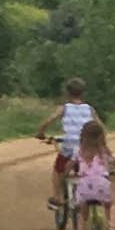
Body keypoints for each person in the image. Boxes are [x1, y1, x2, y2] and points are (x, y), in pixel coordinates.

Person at [36, 79, 97, 210]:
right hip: (87, 144)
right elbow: (99, 126)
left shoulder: (64, 108)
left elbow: (48, 121)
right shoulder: (89, 109)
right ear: (83, 93)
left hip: (69, 144)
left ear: (67, 93)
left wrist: (40, 133)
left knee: (58, 170)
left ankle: (56, 198)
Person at [70, 119, 115, 230]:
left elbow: (69, 166)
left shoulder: (80, 152)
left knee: (83, 216)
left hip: (84, 187)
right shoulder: (104, 151)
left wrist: (69, 174)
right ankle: (111, 228)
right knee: (110, 204)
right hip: (101, 184)